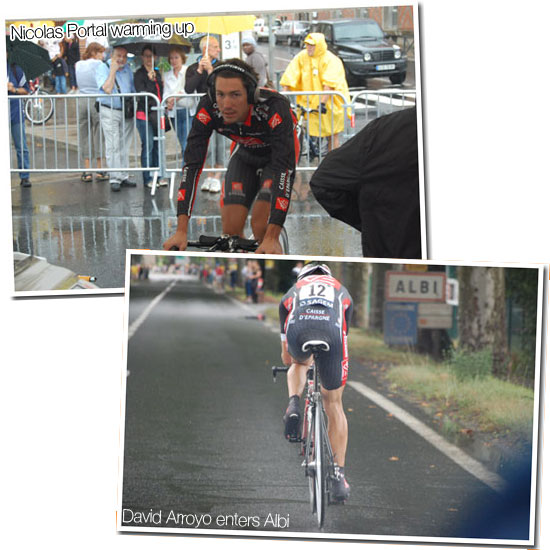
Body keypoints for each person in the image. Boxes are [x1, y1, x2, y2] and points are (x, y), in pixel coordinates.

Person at [162, 58, 298, 255]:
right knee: (231, 230)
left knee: (261, 224)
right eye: (220, 95)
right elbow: (191, 166)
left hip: (276, 157)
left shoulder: (274, 106)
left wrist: (272, 235)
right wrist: (181, 230)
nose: (226, 104)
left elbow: (284, 170)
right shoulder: (209, 107)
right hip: (245, 153)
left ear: (250, 95)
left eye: (235, 95)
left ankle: (273, 254)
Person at [279, 262, 353, 501]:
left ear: (303, 277)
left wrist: (296, 358)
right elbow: (343, 334)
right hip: (332, 333)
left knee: (297, 362)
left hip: (299, 330)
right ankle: (338, 477)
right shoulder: (341, 289)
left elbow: (285, 354)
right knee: (334, 403)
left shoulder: (294, 289)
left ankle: (293, 403)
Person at [309, 107, 421, 259]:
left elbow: (324, 181)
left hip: (389, 250)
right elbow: (324, 181)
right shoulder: (384, 131)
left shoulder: (384, 131)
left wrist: (371, 224)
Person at [280, 32, 350, 151]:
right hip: (307, 102)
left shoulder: (331, 60)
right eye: (307, 45)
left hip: (329, 104)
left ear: (320, 45)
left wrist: (322, 103)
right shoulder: (302, 57)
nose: (309, 48)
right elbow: (290, 75)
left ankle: (332, 162)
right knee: (299, 128)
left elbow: (329, 84)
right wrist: (283, 96)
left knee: (332, 134)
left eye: (312, 45)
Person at [184, 36, 223, 192]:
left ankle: (218, 177)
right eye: (215, 46)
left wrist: (210, 71)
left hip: (220, 110)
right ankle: (209, 175)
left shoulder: (221, 66)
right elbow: (188, 89)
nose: (218, 50)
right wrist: (200, 70)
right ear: (206, 48)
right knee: (205, 144)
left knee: (219, 145)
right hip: (203, 111)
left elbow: (219, 85)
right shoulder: (192, 68)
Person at [96, 45, 137, 192]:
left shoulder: (128, 70)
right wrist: (112, 70)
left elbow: (133, 90)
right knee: (112, 144)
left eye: (124, 56)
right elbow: (107, 89)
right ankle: (114, 177)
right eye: (118, 56)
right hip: (109, 109)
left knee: (124, 144)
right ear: (111, 56)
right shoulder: (103, 68)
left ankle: (123, 175)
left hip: (125, 111)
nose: (121, 59)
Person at [75, 42, 108, 182]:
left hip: (82, 99)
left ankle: (87, 170)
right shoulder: (99, 65)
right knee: (99, 134)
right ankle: (100, 169)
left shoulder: (78, 64)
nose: (103, 55)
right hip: (96, 99)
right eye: (101, 52)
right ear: (95, 53)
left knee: (84, 135)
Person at [133, 46, 164, 188]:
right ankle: (148, 178)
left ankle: (158, 175)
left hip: (157, 115)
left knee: (158, 145)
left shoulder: (157, 73)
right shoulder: (139, 74)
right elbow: (142, 93)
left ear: (155, 57)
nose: (148, 59)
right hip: (144, 115)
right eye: (146, 56)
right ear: (142, 57)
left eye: (151, 56)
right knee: (148, 145)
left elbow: (161, 94)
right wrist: (150, 81)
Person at [163, 45, 195, 162]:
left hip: (188, 110)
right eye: (171, 58)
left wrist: (174, 98)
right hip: (175, 113)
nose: (174, 60)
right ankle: (187, 166)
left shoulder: (188, 71)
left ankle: (185, 169)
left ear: (182, 58)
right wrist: (168, 100)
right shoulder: (167, 75)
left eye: (176, 57)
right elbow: (166, 93)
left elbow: (188, 89)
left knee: (186, 142)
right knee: (182, 141)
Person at [7, 62, 31, 187]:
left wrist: (13, 89)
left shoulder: (16, 69)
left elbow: (27, 90)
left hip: (15, 113)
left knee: (21, 146)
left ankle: (25, 176)